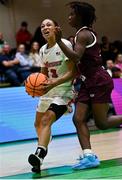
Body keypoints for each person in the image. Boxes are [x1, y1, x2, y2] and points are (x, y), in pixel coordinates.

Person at [54, 1, 122, 170]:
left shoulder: (83, 34)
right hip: (87, 81)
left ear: (80, 17)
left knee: (102, 123)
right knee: (78, 119)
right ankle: (89, 156)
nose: (69, 17)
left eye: (72, 14)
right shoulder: (80, 34)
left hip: (98, 81)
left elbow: (76, 57)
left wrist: (59, 41)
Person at [28, 18, 76, 173]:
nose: (45, 27)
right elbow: (43, 75)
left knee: (46, 120)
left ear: (56, 28)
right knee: (38, 124)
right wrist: (36, 87)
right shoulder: (42, 50)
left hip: (64, 91)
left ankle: (40, 153)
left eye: (48, 25)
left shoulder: (64, 45)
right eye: (42, 26)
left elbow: (73, 72)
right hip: (49, 90)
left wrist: (54, 84)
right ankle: (45, 142)